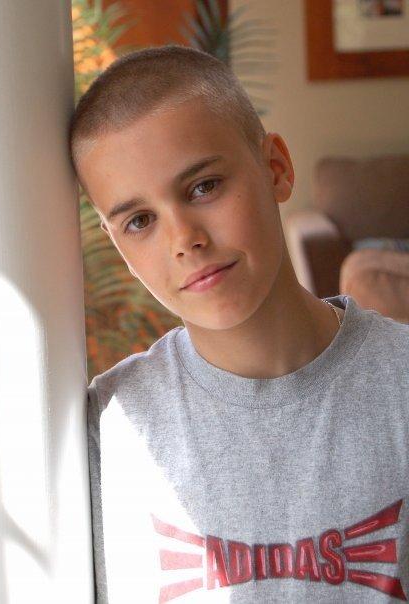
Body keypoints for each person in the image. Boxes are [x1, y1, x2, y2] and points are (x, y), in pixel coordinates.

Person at [68, 44, 409, 604]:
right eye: (140, 220)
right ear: (117, 244)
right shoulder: (107, 429)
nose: (185, 240)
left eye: (203, 187)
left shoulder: (399, 383)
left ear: (276, 169)